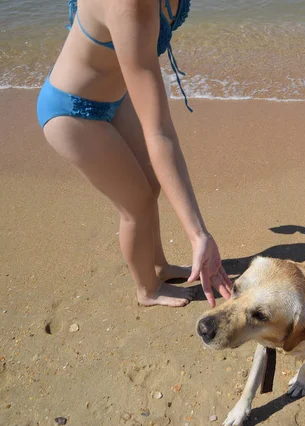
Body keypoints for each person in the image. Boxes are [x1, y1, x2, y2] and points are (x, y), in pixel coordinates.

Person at [36, 0, 232, 308]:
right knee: (136, 204)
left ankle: (159, 267)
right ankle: (147, 289)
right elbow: (160, 133)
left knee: (151, 184)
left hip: (114, 96)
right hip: (72, 111)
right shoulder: (131, 4)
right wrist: (198, 234)